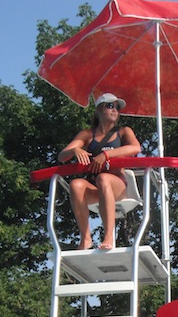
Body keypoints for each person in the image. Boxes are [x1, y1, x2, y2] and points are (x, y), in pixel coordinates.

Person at [57, 93, 141, 250]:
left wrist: (106, 155)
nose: (115, 110)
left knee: (104, 178)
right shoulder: (88, 135)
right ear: (99, 110)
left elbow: (135, 148)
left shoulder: (123, 131)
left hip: (117, 186)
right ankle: (85, 238)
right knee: (76, 184)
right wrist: (75, 150)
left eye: (117, 107)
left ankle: (108, 235)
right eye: (110, 106)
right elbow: (62, 156)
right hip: (95, 187)